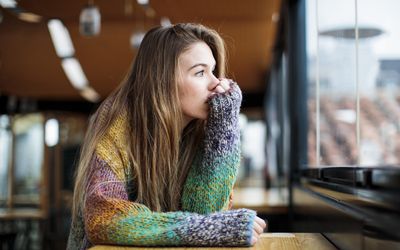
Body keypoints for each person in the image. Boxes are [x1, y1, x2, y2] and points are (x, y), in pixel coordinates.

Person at [67, 23, 266, 250]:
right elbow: (104, 218)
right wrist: (211, 228)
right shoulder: (118, 123)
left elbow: (205, 212)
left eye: (213, 71)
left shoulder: (203, 129)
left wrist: (224, 126)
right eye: (200, 72)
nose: (216, 83)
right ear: (162, 81)